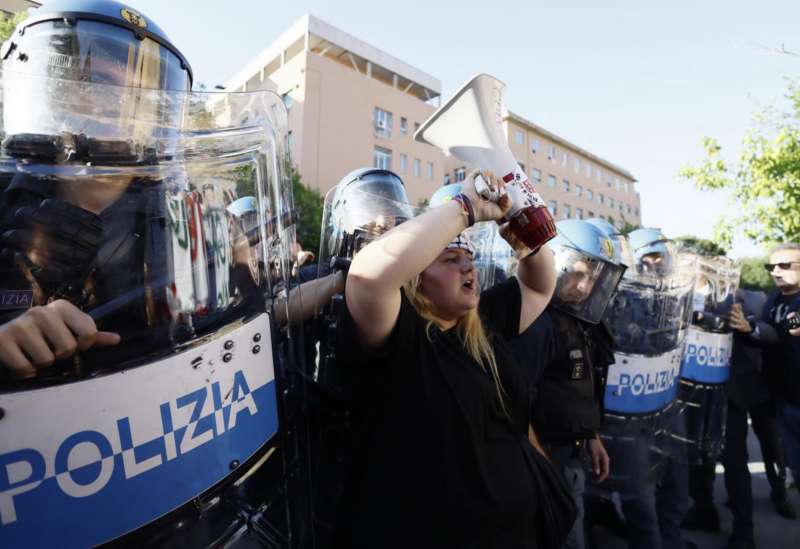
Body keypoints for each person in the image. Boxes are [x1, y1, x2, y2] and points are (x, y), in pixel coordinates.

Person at [335, 170, 556, 548]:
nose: (468, 266)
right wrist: (466, 208)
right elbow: (367, 280)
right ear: (416, 279)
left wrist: (519, 218)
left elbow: (539, 284)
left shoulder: (482, 320)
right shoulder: (400, 334)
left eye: (468, 256)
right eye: (450, 259)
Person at [0, 0, 196, 378]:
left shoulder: (180, 222)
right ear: (59, 90)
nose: (122, 105)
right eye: (101, 84)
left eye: (143, 97)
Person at [528, 219, 624, 549]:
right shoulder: (533, 322)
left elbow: (580, 385)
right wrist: (540, 467)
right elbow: (515, 401)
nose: (585, 287)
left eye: (594, 278)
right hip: (542, 459)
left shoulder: (580, 318)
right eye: (579, 273)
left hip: (573, 453)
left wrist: (591, 436)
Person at [762, 243, 800, 506]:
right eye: (771, 266)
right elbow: (772, 341)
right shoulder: (771, 301)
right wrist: (748, 328)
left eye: (785, 265)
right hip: (783, 397)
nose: (776, 271)